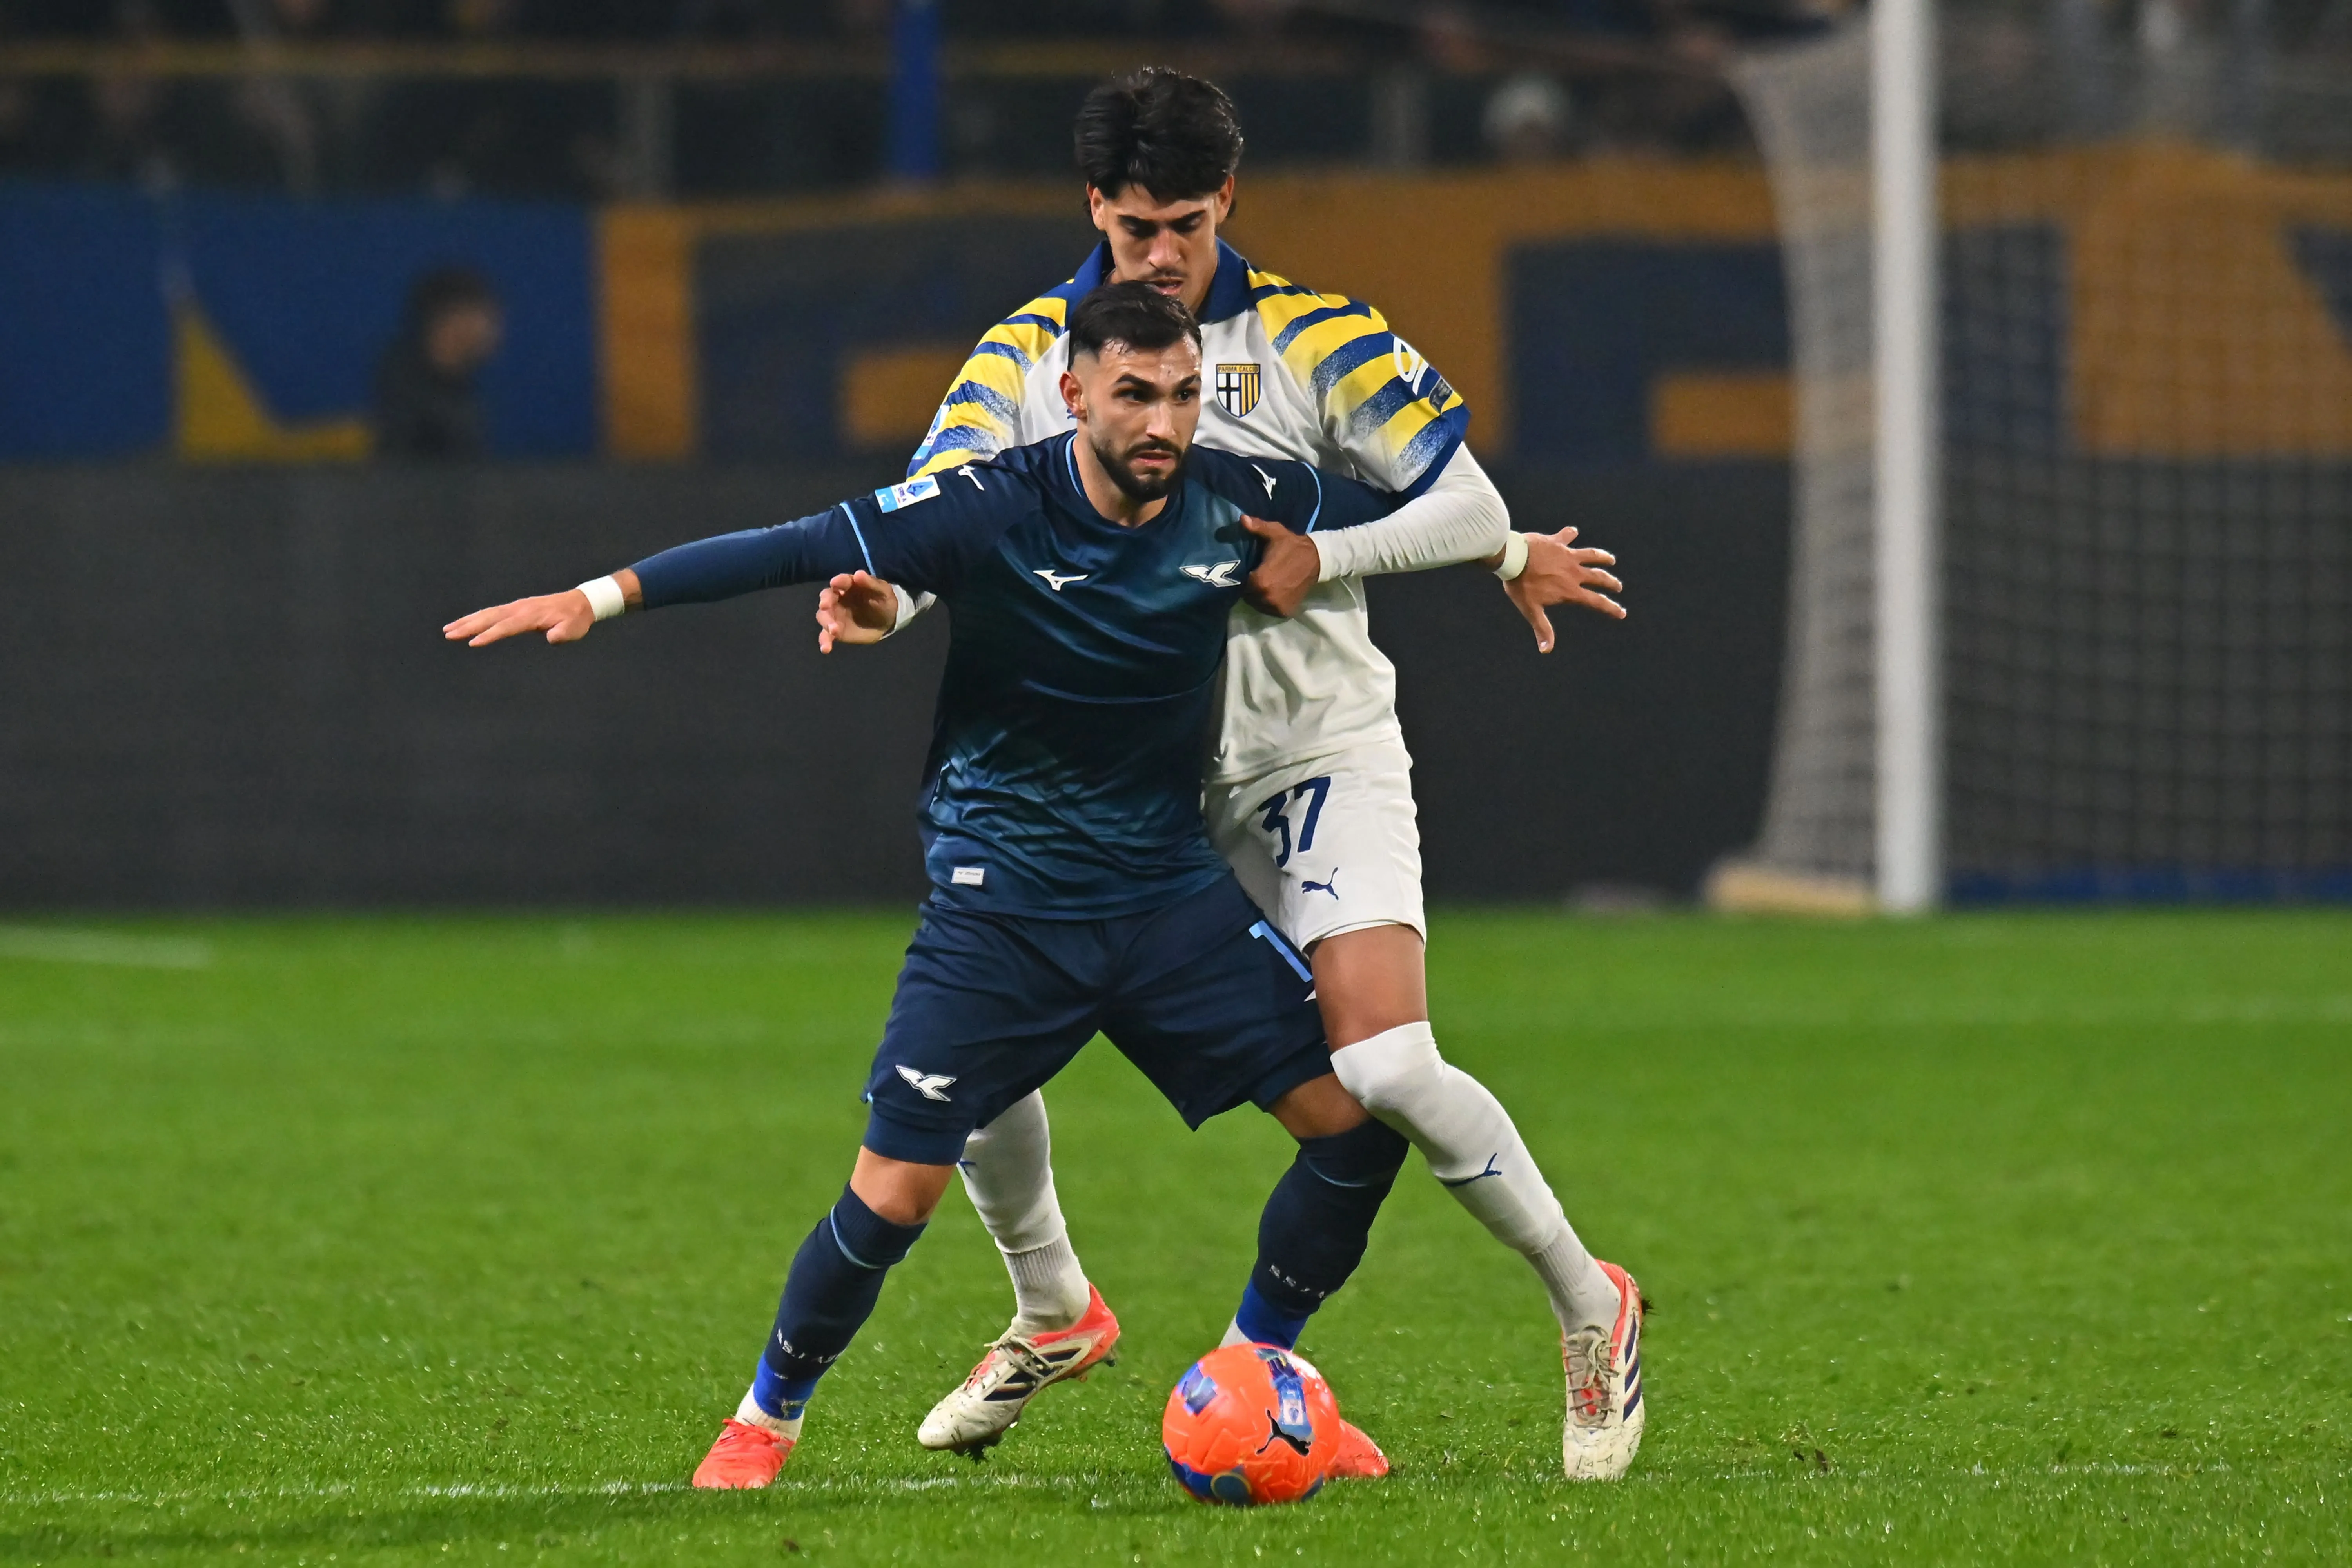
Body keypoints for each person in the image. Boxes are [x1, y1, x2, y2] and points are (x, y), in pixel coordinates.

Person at [443, 283, 1499, 1489]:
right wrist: (598, 597)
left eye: (1177, 397)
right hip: (1002, 902)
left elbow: (1421, 511)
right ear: (1072, 396)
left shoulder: (1234, 495)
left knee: (1355, 1136)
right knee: (893, 1190)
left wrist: (1511, 550)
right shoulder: (990, 504)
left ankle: (1261, 1379)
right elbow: (789, 546)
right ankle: (765, 1416)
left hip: (1164, 897)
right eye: (1131, 396)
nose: (1159, 422)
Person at [822, 68, 1645, 1481]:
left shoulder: (1312, 334)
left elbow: (1469, 500)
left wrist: (1337, 551)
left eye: (1186, 226)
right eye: (1135, 226)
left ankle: (1587, 1300)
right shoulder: (1031, 355)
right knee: (967, 1041)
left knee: (1382, 1062)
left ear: (1229, 203)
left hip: (1306, 748)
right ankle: (1052, 1305)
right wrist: (880, 602)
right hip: (1124, 774)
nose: (1159, 254)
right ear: (1094, 207)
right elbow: (926, 529)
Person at [372, 265, 502, 460]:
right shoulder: (408, 397)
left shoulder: (459, 391)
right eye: (485, 317)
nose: (494, 330)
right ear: (453, 319)